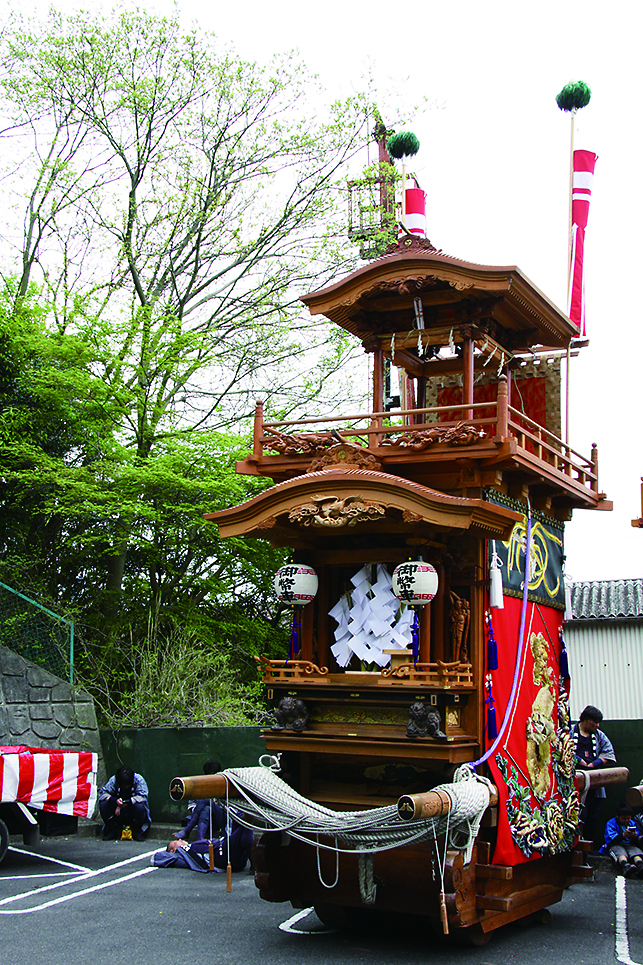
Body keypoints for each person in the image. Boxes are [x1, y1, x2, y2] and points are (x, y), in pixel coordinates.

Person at [572, 705, 616, 848]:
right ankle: (576, 848)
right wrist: (577, 760)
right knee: (579, 816)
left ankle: (588, 850)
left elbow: (609, 753)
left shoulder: (599, 735)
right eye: (595, 722)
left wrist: (595, 763)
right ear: (586, 719)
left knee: (593, 817)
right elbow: (560, 749)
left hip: (595, 783)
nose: (597, 725)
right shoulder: (571, 732)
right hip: (574, 783)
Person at [152, 819, 253, 873]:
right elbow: (155, 858)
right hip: (220, 855)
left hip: (225, 847)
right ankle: (254, 864)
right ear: (173, 850)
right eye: (175, 842)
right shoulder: (180, 855)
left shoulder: (190, 846)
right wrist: (178, 851)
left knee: (239, 817)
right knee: (245, 825)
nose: (179, 840)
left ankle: (250, 857)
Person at [98, 765, 151, 842]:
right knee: (103, 805)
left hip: (132, 809)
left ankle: (137, 832)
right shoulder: (113, 780)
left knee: (140, 807)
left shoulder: (138, 780)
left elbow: (143, 797)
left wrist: (127, 802)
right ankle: (112, 830)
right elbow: (103, 794)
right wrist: (114, 801)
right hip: (117, 811)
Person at [175, 759, 224, 841]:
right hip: (203, 819)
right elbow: (191, 806)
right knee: (206, 809)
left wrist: (215, 804)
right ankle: (200, 840)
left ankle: (188, 829)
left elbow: (230, 810)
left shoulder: (224, 784)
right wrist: (200, 809)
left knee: (205, 799)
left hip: (219, 819)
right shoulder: (201, 785)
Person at [601, 803, 643, 877]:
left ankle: (640, 865)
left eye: (628, 818)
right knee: (620, 852)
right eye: (624, 818)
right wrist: (623, 835)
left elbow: (637, 835)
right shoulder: (611, 823)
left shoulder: (632, 823)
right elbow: (611, 839)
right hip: (616, 844)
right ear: (617, 816)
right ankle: (625, 866)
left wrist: (635, 836)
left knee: (635, 851)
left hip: (629, 844)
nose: (626, 820)